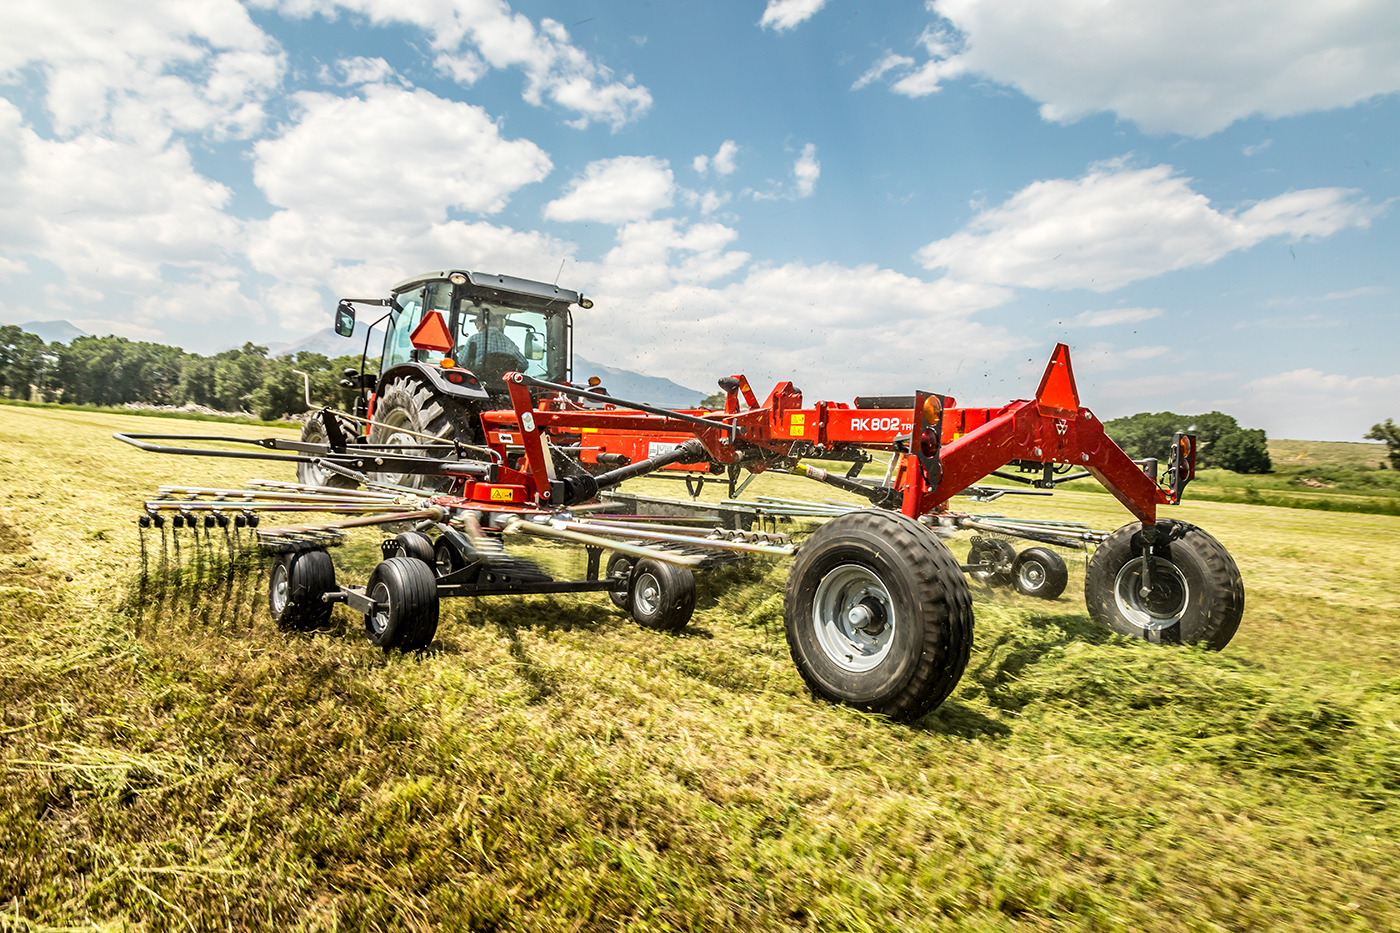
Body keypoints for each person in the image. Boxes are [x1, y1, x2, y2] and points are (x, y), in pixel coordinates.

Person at [457, 312, 526, 374]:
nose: (476, 327)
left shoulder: (474, 339)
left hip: (478, 383)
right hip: (505, 385)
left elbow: (461, 362)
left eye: (477, 323)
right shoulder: (508, 342)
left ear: (484, 322)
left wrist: (461, 351)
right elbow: (524, 363)